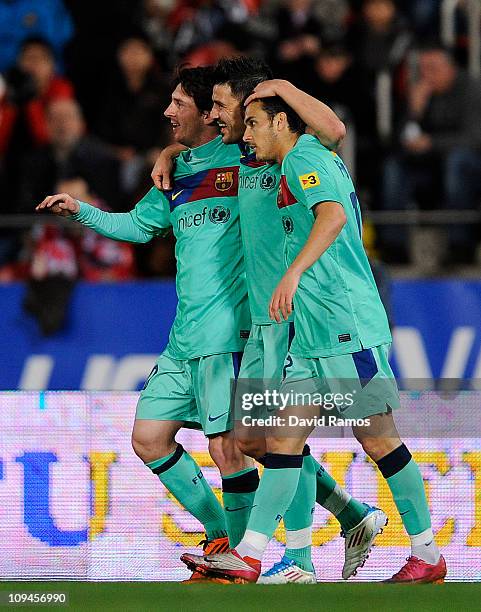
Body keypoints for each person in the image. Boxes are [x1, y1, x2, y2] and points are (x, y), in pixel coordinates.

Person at [181, 95, 447, 584]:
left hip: (345, 325)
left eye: (255, 123)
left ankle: (427, 554)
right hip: (309, 333)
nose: (247, 134)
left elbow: (333, 217)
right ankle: (251, 553)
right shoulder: (288, 161)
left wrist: (293, 274)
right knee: (281, 439)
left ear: (282, 122)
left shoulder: (306, 157)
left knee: (379, 439)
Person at [153, 56, 387, 584]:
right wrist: (172, 151)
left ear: (255, 107)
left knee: (281, 440)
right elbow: (198, 152)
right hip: (260, 324)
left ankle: (298, 558)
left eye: (220, 105)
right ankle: (351, 514)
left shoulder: (285, 152)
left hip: (291, 318)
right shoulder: (238, 155)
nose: (214, 116)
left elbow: (332, 130)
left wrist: (280, 84)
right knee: (254, 441)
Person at [36, 66, 256, 582]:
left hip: (227, 335)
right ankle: (225, 537)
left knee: (242, 447)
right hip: (185, 337)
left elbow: (300, 132)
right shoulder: (175, 173)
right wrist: (82, 211)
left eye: (179, 102)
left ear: (211, 112)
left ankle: (260, 550)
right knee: (149, 438)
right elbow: (137, 225)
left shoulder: (247, 159)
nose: (166, 111)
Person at [382, 46, 481, 263]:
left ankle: (460, 245)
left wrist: (432, 143)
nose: (427, 75)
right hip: (430, 166)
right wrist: (414, 111)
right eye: (423, 69)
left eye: (433, 68)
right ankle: (394, 247)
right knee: (393, 167)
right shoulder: (420, 93)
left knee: (458, 162)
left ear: (450, 68)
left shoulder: (472, 90)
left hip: (467, 165)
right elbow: (399, 141)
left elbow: (474, 139)